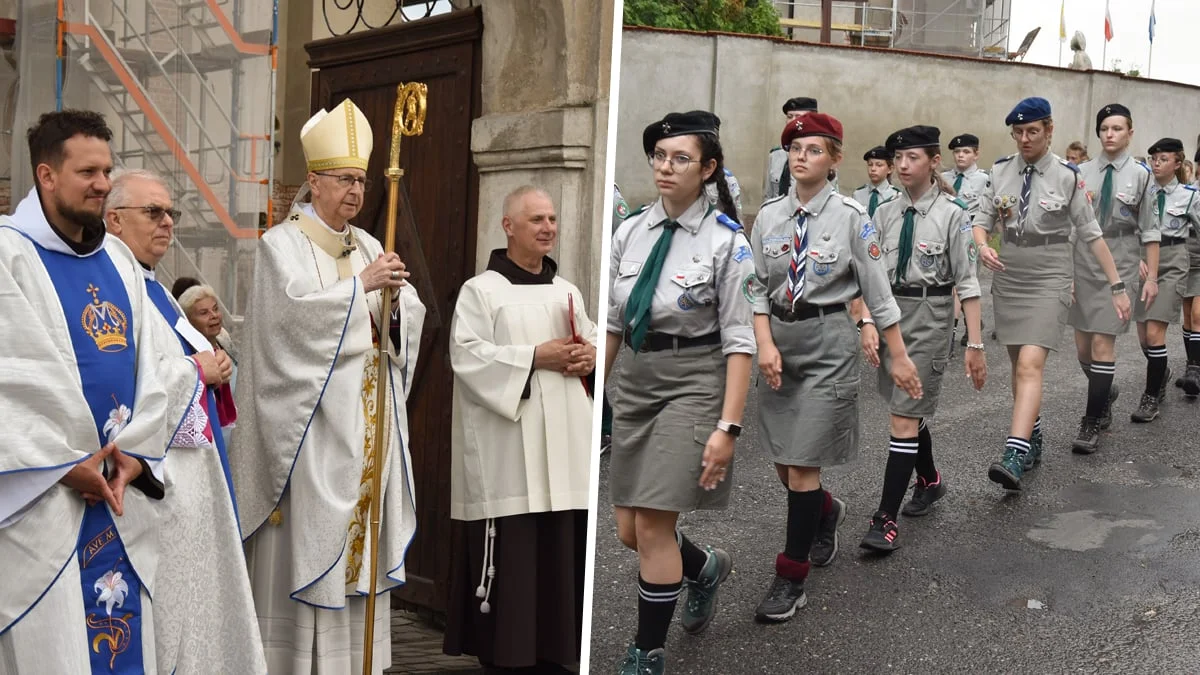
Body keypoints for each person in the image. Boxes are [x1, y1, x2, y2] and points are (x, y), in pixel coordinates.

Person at [230, 98, 427, 674]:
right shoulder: (279, 246)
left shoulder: (367, 242)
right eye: (345, 179)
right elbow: (284, 329)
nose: (357, 191)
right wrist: (359, 289)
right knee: (309, 545)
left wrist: (395, 309)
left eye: (362, 181)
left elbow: (403, 315)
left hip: (364, 430)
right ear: (313, 182)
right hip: (308, 438)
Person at [0, 110, 173, 672]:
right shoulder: (8, 256)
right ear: (46, 176)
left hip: (118, 493)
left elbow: (156, 367)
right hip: (43, 503)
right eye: (87, 172)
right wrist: (60, 465)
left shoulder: (119, 261)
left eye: (107, 170)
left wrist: (136, 454)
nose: (102, 184)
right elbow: (10, 383)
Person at [748, 113, 920, 617]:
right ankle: (828, 511)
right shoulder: (769, 216)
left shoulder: (851, 217)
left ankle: (791, 577)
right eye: (795, 149)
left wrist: (899, 354)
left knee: (802, 464)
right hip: (781, 339)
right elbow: (756, 287)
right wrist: (765, 343)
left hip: (828, 343)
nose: (801, 157)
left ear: (834, 159)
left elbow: (878, 292)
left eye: (813, 150)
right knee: (785, 462)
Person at [606, 111, 752, 675]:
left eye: (680, 159)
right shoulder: (631, 230)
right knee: (627, 530)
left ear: (708, 168)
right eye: (660, 156)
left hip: (692, 382)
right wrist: (597, 386)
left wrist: (728, 427)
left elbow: (739, 342)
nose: (665, 167)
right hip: (638, 383)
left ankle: (647, 653)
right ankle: (706, 568)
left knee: (651, 528)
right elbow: (617, 322)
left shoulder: (726, 244)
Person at [103, 168, 266, 673]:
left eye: (171, 212)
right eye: (153, 212)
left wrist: (204, 368)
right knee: (173, 608)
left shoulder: (152, 286)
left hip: (193, 473)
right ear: (114, 219)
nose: (167, 222)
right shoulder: (112, 281)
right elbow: (120, 373)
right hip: (161, 476)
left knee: (197, 599)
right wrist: (197, 368)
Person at [443, 186, 594, 673]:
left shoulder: (566, 289)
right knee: (518, 558)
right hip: (510, 455)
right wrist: (534, 357)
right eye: (536, 220)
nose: (548, 227)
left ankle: (559, 653)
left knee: (561, 556)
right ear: (508, 226)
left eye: (552, 218)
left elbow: (589, 343)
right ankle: (507, 657)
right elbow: (466, 358)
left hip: (566, 453)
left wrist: (588, 357)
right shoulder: (480, 291)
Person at [973, 97, 1130, 491]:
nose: (1024, 139)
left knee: (1030, 363)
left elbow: (1092, 235)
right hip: (1009, 276)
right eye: (1018, 133)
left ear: (1049, 129)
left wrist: (1117, 286)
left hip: (1050, 276)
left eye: (1032, 132)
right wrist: (982, 244)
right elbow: (981, 219)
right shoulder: (1000, 170)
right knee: (1017, 364)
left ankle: (1014, 451)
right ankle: (1034, 435)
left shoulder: (1067, 176)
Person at [858, 126, 986, 552]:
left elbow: (967, 284)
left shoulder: (954, 214)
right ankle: (930, 480)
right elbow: (869, 275)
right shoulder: (883, 214)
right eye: (898, 159)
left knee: (903, 416)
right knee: (906, 408)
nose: (902, 165)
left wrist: (974, 343)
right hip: (891, 315)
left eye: (912, 158)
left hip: (931, 317)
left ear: (934, 162)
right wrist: (867, 321)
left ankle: (885, 519)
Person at [1068, 105, 1157, 444]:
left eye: (1117, 128)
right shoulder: (1079, 172)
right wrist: (1067, 272)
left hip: (1120, 260)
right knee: (1082, 349)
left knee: (1103, 341)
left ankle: (1091, 421)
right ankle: (1103, 390)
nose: (1110, 134)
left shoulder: (1141, 174)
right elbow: (1072, 225)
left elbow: (1150, 228)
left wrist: (1150, 277)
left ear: (1129, 133)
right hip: (1084, 261)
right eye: (1104, 128)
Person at [1148, 139, 1200, 396]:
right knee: (1150, 335)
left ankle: (1191, 370)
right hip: (1154, 261)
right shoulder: (1144, 192)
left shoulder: (1190, 196)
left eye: (1163, 158)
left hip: (1183, 261)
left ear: (1178, 163)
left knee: (1193, 316)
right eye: (1153, 158)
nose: (1156, 163)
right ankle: (1171, 369)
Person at [943, 133, 992, 347]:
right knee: (949, 281)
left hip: (970, 233)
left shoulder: (984, 179)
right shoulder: (944, 178)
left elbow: (988, 211)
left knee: (962, 281)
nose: (960, 156)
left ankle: (950, 335)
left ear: (976, 154)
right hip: (946, 232)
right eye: (957, 152)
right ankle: (973, 321)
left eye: (966, 152)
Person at [765, 97, 818, 201]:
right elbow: (768, 196)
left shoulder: (820, 155)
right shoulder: (776, 155)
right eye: (790, 116)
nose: (793, 121)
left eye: (799, 116)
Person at [851, 145, 900, 219]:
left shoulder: (896, 196)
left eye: (879, 165)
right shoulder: (858, 194)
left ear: (890, 169)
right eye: (870, 165)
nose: (873, 169)